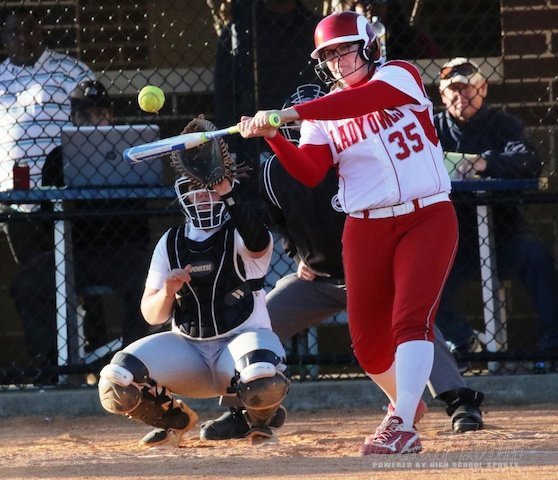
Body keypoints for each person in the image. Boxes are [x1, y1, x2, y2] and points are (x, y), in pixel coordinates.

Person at [199, 84, 484, 441]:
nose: (303, 124)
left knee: (411, 322)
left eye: (313, 113)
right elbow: (281, 222)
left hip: (374, 273)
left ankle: (459, 400)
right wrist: (298, 255)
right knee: (257, 324)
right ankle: (245, 411)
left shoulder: (355, 157)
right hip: (318, 279)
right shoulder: (275, 173)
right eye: (297, 119)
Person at [237, 11, 458, 455]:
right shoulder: (322, 116)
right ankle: (405, 404)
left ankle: (402, 426)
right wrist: (276, 136)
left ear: (369, 47)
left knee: (410, 320)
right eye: (329, 56)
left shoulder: (399, 75)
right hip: (366, 226)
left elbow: (362, 101)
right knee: (369, 347)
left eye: (345, 50)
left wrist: (288, 113)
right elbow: (310, 171)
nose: (338, 61)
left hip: (426, 215)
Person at [97, 153, 289, 447]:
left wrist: (226, 191)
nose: (203, 198)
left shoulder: (241, 231)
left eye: (210, 190)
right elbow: (152, 315)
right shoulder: (171, 241)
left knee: (261, 374)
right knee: (116, 380)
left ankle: (258, 420)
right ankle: (174, 420)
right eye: (196, 191)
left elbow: (258, 242)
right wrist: (168, 291)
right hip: (189, 351)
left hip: (239, 344)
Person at [10, 80, 152, 384]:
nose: (94, 122)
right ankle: (51, 365)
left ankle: (134, 365)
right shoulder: (58, 157)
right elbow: (47, 221)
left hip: (123, 251)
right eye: (86, 116)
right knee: (27, 282)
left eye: (101, 114)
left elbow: (140, 222)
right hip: (74, 254)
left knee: (148, 279)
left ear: (111, 116)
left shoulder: (129, 154)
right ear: (73, 118)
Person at [433, 58, 558, 370]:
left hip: (505, 233)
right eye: (453, 89)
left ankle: (552, 349)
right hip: (453, 239)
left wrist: (484, 162)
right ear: (442, 95)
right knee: (422, 277)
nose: (461, 95)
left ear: (483, 88)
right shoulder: (431, 129)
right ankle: (463, 342)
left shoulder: (504, 124)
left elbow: (529, 160)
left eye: (468, 88)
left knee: (538, 260)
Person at [0, 7, 95, 265]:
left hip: (64, 193)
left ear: (41, 32)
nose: (23, 37)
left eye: (29, 29)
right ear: (4, 38)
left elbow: (95, 126)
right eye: (14, 32)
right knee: (35, 273)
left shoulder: (72, 70)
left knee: (70, 269)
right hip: (12, 199)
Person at [213, 0, 323, 177]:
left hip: (313, 139)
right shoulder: (237, 32)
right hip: (257, 147)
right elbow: (224, 96)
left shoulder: (316, 27)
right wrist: (230, 149)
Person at [343, 0, 442, 60]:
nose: (371, 6)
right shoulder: (345, 41)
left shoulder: (413, 38)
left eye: (379, 1)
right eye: (364, 1)